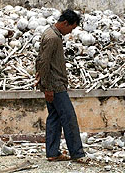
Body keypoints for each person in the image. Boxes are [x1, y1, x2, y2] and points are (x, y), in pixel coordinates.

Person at [35, 9, 88, 163]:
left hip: (53, 84)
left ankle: (52, 152)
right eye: (71, 28)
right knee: (69, 117)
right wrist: (48, 87)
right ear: (65, 23)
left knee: (54, 117)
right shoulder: (53, 38)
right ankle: (77, 154)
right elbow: (44, 62)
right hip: (55, 86)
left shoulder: (50, 33)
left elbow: (41, 61)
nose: (70, 31)